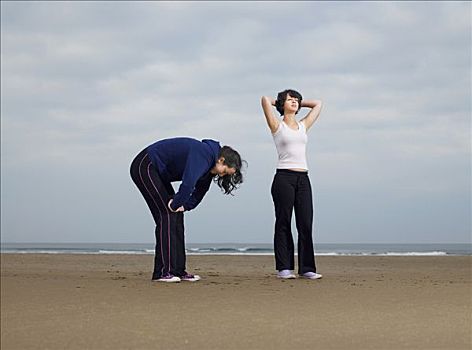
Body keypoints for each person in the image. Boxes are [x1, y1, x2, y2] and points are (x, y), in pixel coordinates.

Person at [130, 137, 245, 283]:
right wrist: (176, 203)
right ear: (221, 160)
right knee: (167, 214)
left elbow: (199, 193)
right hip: (145, 165)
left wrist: (184, 205)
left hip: (158, 173)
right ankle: (163, 272)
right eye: (224, 172)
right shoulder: (203, 154)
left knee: (177, 216)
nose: (221, 175)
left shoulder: (210, 166)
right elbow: (188, 184)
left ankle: (178, 270)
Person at [261, 89, 323, 280]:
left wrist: (298, 103)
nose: (295, 101)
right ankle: (284, 268)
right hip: (283, 178)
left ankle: (306, 268)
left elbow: (318, 104)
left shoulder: (303, 125)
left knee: (305, 223)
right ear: (281, 104)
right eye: (291, 99)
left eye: (296, 99)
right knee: (283, 222)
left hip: (303, 178)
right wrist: (281, 102)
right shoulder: (277, 126)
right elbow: (265, 99)